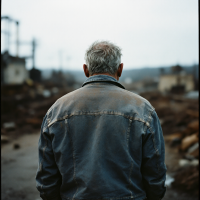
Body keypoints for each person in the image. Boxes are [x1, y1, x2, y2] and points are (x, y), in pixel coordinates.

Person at [36, 41, 167, 200]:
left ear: (85, 70)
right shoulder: (143, 109)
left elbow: (46, 178)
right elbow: (156, 174)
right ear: (120, 69)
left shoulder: (57, 110)